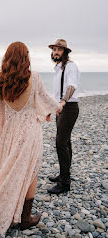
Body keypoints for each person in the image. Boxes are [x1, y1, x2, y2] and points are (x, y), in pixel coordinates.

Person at [0, 42, 63, 236]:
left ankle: (1, 209)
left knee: (6, 171)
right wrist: (57, 107)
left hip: (10, 133)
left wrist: (0, 136)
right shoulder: (35, 77)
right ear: (25, 57)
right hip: (31, 132)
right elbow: (44, 100)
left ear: (7, 58)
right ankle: (25, 218)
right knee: (30, 172)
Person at [47, 39, 80, 194]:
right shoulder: (58, 68)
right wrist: (51, 107)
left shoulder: (71, 66)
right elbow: (56, 92)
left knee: (61, 143)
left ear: (65, 52)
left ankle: (65, 183)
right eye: (54, 49)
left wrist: (63, 102)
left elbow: (71, 86)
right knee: (65, 142)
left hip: (69, 107)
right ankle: (64, 174)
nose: (56, 52)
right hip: (61, 108)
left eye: (59, 49)